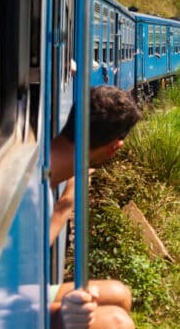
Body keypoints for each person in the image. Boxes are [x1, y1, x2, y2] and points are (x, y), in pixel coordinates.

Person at [49, 85, 142, 329]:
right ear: (114, 148)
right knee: (116, 323)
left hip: (17, 290)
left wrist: (68, 199)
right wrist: (57, 315)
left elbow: (35, 246)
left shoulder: (44, 161)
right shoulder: (28, 190)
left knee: (119, 293)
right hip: (2, 306)